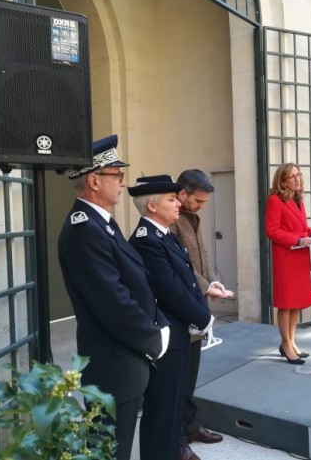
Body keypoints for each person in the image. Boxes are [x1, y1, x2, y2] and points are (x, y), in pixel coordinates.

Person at [57, 135, 170, 460]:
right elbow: (115, 303)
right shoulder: (84, 230)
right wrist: (154, 339)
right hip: (112, 365)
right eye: (117, 175)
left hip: (125, 362)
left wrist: (157, 324)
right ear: (94, 180)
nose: (123, 182)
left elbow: (138, 284)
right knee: (110, 452)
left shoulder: (100, 223)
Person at [127, 175, 215, 460]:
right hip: (166, 334)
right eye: (171, 199)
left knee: (175, 402)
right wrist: (203, 317)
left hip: (180, 331)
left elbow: (187, 279)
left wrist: (201, 310)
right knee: (162, 408)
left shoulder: (163, 234)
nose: (178, 203)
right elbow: (169, 288)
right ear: (151, 206)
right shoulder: (146, 239)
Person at [170, 169, 231, 460]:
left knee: (191, 372)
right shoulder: (170, 220)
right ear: (182, 194)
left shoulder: (193, 216)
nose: (202, 206)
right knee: (177, 378)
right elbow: (180, 265)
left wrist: (212, 282)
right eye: (199, 201)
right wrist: (207, 288)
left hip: (197, 302)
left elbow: (202, 257)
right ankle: (179, 438)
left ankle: (192, 426)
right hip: (181, 305)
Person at [265, 163, 311, 364]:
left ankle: (291, 342)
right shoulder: (274, 201)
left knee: (297, 304)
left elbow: (300, 225)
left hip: (299, 257)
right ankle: (286, 344)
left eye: (298, 174)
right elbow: (272, 231)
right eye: (293, 176)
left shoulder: (298, 200)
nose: (298, 179)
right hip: (286, 257)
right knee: (286, 304)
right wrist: (297, 240)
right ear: (282, 181)